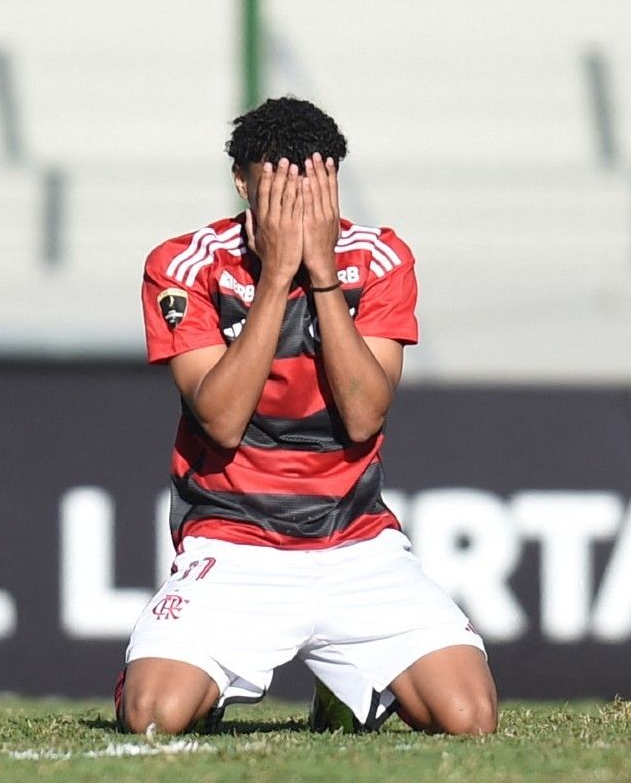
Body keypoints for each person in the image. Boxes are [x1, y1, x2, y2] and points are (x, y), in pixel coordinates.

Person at [116, 97, 497, 736]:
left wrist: (320, 275)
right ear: (242, 182)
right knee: (154, 716)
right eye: (278, 187)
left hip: (356, 545)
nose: (299, 208)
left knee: (470, 717)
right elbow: (220, 420)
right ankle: (172, 668)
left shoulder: (379, 259)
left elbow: (363, 416)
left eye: (314, 187)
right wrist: (275, 280)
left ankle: (343, 689)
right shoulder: (184, 265)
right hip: (235, 542)